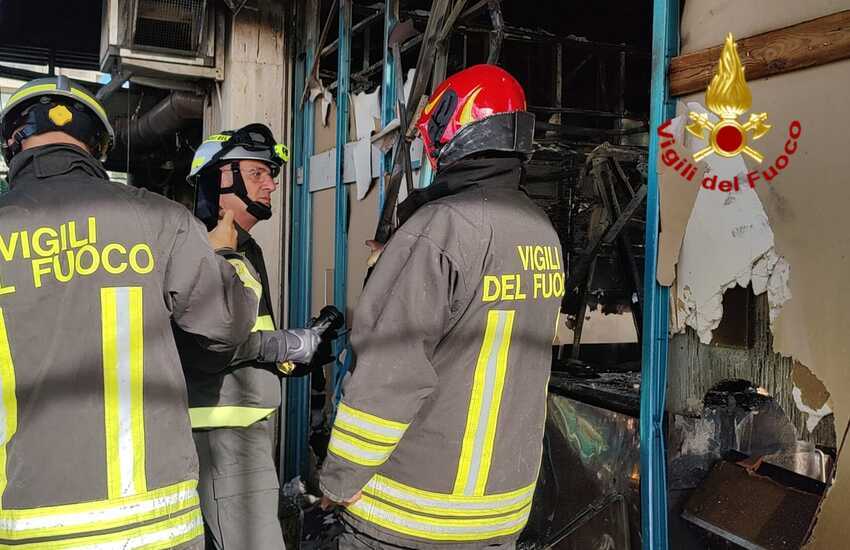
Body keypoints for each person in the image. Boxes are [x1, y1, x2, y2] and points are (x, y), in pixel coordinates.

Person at [0, 76, 260, 548]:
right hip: (157, 526)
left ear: (11, 146)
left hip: (28, 524)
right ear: (96, 146)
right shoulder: (159, 218)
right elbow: (225, 324)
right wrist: (229, 260)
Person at [319, 64, 566, 549]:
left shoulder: (440, 229)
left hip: (410, 513)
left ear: (453, 130)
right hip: (500, 512)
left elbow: (389, 374)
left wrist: (338, 482)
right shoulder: (542, 232)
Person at [176, 124, 322, 550]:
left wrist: (287, 355)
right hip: (223, 434)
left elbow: (240, 330)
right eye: (257, 172)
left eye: (270, 173)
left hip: (238, 426)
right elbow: (203, 344)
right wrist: (275, 345)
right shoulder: (201, 248)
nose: (271, 183)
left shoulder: (242, 246)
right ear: (218, 178)